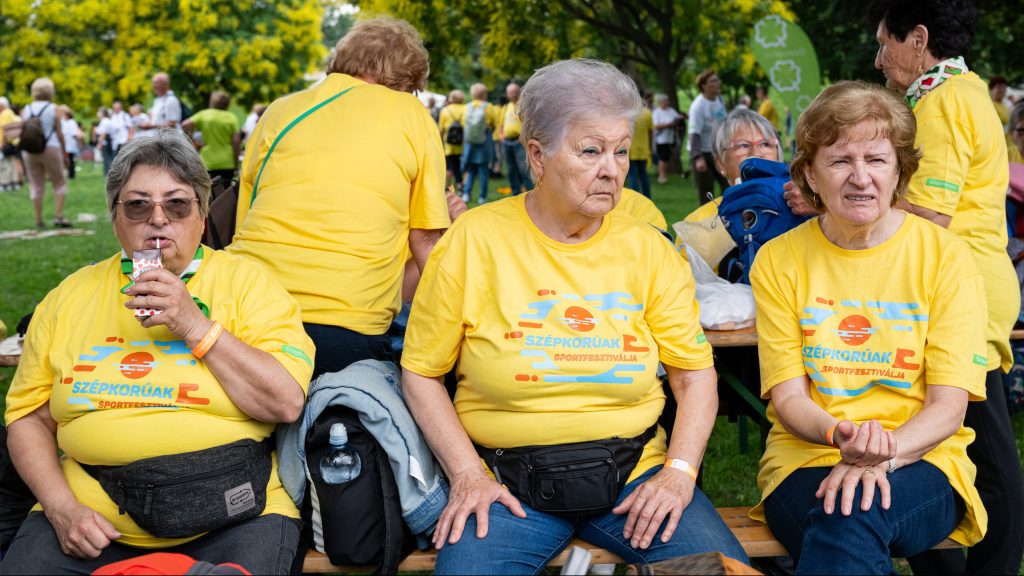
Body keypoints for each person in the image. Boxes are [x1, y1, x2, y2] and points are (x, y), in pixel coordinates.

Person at [400, 58, 748, 574]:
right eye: (591, 151)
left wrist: (678, 473)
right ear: (537, 156)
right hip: (507, 486)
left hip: (634, 480)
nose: (612, 169)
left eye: (622, 151)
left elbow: (694, 374)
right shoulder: (474, 240)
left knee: (720, 570)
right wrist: (468, 474)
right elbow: (422, 371)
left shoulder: (647, 250)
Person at [1, 129, 315, 574]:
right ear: (116, 217)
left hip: (233, 514)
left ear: (202, 217)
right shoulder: (68, 297)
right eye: (138, 205)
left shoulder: (249, 285)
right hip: (92, 521)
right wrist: (60, 508)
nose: (158, 219)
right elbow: (29, 418)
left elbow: (284, 401)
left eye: (177, 204)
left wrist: (193, 325)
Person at [750, 80, 989, 575]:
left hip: (923, 458)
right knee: (844, 522)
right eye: (840, 161)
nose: (861, 177)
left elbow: (949, 406)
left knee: (846, 518)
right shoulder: (778, 260)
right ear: (810, 176)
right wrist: (844, 438)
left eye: (877, 160)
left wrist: (883, 456)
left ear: (899, 170)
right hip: (805, 457)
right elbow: (789, 398)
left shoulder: (947, 258)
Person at [868, 2, 1024, 573]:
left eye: (884, 43)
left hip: (965, 293)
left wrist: (835, 207)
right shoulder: (961, 89)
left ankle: (996, 565)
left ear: (918, 39)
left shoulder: (941, 103)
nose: (880, 59)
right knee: (947, 441)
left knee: (982, 448)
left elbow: (924, 214)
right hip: (969, 286)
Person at [228, 17, 449, 379]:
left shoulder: (278, 110)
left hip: (247, 310)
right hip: (347, 328)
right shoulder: (412, 115)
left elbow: (246, 213)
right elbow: (425, 239)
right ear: (406, 80)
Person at [21, 77, 69, 228]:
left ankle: (38, 219)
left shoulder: (26, 109)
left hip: (30, 150)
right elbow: (59, 133)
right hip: (51, 147)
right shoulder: (55, 109)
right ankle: (58, 216)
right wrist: (64, 151)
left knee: (36, 185)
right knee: (59, 182)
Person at [182, 91, 241, 184]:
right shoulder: (231, 118)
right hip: (227, 161)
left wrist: (193, 142)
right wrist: (236, 163)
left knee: (209, 193)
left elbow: (185, 125)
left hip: (207, 161)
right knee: (226, 193)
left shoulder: (204, 114)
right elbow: (236, 142)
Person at [688, 71, 728, 205]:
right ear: (704, 86)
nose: (719, 83)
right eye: (714, 81)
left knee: (728, 186)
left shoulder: (719, 100)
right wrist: (697, 158)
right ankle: (704, 223)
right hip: (702, 153)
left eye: (718, 80)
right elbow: (694, 133)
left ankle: (725, 219)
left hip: (718, 152)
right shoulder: (698, 106)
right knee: (706, 194)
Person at [461, 82, 498, 204]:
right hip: (484, 140)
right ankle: (482, 197)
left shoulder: (466, 107)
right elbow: (495, 122)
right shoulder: (488, 107)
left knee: (470, 169)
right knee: (483, 170)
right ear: (484, 94)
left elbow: (463, 123)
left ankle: (466, 194)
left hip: (470, 142)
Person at [498, 82, 533, 196]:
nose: (512, 94)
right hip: (507, 142)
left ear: (519, 92)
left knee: (523, 169)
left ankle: (529, 193)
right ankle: (515, 193)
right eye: (510, 92)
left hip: (519, 142)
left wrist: (523, 136)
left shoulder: (523, 106)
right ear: (507, 94)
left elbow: (529, 123)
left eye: (514, 92)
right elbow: (501, 124)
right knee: (510, 170)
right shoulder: (506, 107)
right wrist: (501, 135)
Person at [136, 73, 183, 138]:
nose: (153, 86)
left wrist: (152, 127)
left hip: (170, 141)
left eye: (156, 83)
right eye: (153, 83)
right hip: (160, 140)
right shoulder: (158, 100)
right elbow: (156, 120)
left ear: (165, 84)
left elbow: (172, 125)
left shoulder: (171, 100)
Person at [439, 90, 467, 193]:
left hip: (449, 145)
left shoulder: (445, 110)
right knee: (462, 165)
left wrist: (441, 143)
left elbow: (441, 130)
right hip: (463, 143)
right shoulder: (466, 109)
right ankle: (460, 184)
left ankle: (447, 187)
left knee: (450, 166)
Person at [627, 96, 653, 198]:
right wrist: (650, 148)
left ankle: (635, 198)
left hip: (631, 149)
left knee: (632, 174)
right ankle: (647, 197)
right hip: (644, 149)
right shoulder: (647, 113)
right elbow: (650, 132)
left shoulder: (628, 114)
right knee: (643, 174)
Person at [651, 94, 680, 184]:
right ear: (660, 102)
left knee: (666, 158)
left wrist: (676, 122)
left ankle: (664, 174)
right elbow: (656, 125)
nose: (667, 103)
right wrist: (668, 125)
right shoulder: (656, 112)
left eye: (667, 101)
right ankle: (661, 175)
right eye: (665, 101)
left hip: (670, 138)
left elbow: (677, 118)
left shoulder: (671, 110)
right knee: (662, 158)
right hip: (661, 139)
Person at [0, 97, 23, 191]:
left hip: (7, 143)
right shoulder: (11, 113)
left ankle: (5, 184)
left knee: (5, 164)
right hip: (15, 142)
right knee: (13, 163)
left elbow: (5, 130)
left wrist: (2, 144)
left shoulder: (4, 114)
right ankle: (15, 183)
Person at [58, 106, 83, 180]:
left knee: (70, 159)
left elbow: (74, 133)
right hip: (65, 144)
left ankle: (71, 174)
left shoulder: (72, 122)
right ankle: (68, 173)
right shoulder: (64, 121)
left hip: (69, 144)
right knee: (66, 159)